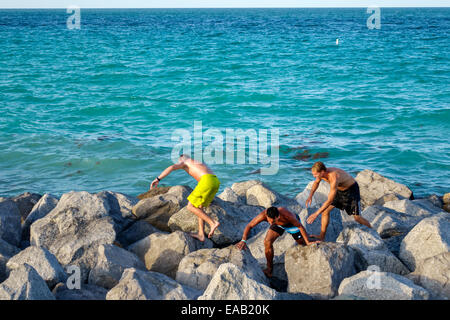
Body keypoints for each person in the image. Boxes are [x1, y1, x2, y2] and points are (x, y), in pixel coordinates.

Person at [150, 154, 221, 241]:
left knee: (190, 206)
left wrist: (158, 179)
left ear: (181, 160)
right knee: (199, 207)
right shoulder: (198, 162)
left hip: (206, 181)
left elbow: (171, 167)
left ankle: (212, 223)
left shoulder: (185, 162)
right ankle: (201, 235)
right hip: (215, 181)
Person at [235, 206, 318, 278]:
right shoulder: (265, 215)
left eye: (272, 221)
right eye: (269, 221)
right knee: (267, 242)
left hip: (291, 225)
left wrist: (307, 241)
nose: (270, 223)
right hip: (278, 225)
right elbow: (249, 225)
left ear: (278, 216)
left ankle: (309, 237)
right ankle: (269, 270)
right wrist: (243, 240)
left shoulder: (287, 215)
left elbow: (300, 226)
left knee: (302, 243)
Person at [305, 161, 372, 241]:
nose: (314, 176)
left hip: (351, 191)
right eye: (313, 174)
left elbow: (330, 200)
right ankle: (321, 236)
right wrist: (310, 195)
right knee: (325, 212)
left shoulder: (334, 177)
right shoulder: (321, 174)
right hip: (340, 191)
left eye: (315, 174)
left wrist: (316, 214)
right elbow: (316, 183)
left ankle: (373, 232)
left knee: (357, 218)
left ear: (322, 172)